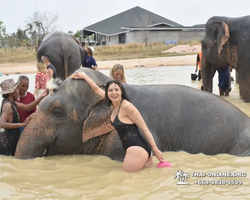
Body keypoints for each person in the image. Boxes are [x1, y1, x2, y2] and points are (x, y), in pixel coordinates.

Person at [71, 71, 163, 172]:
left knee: (127, 181)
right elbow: (96, 89)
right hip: (138, 151)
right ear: (107, 93)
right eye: (110, 90)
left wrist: (155, 150)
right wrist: (84, 76)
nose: (114, 93)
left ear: (121, 92)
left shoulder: (127, 107)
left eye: (116, 90)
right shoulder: (113, 104)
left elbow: (144, 128)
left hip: (136, 150)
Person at [0, 79, 48, 156]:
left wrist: (42, 96)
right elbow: (2, 124)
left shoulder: (12, 103)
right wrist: (22, 124)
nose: (18, 91)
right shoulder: (7, 106)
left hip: (12, 138)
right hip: (8, 141)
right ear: (11, 93)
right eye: (16, 89)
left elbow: (28, 107)